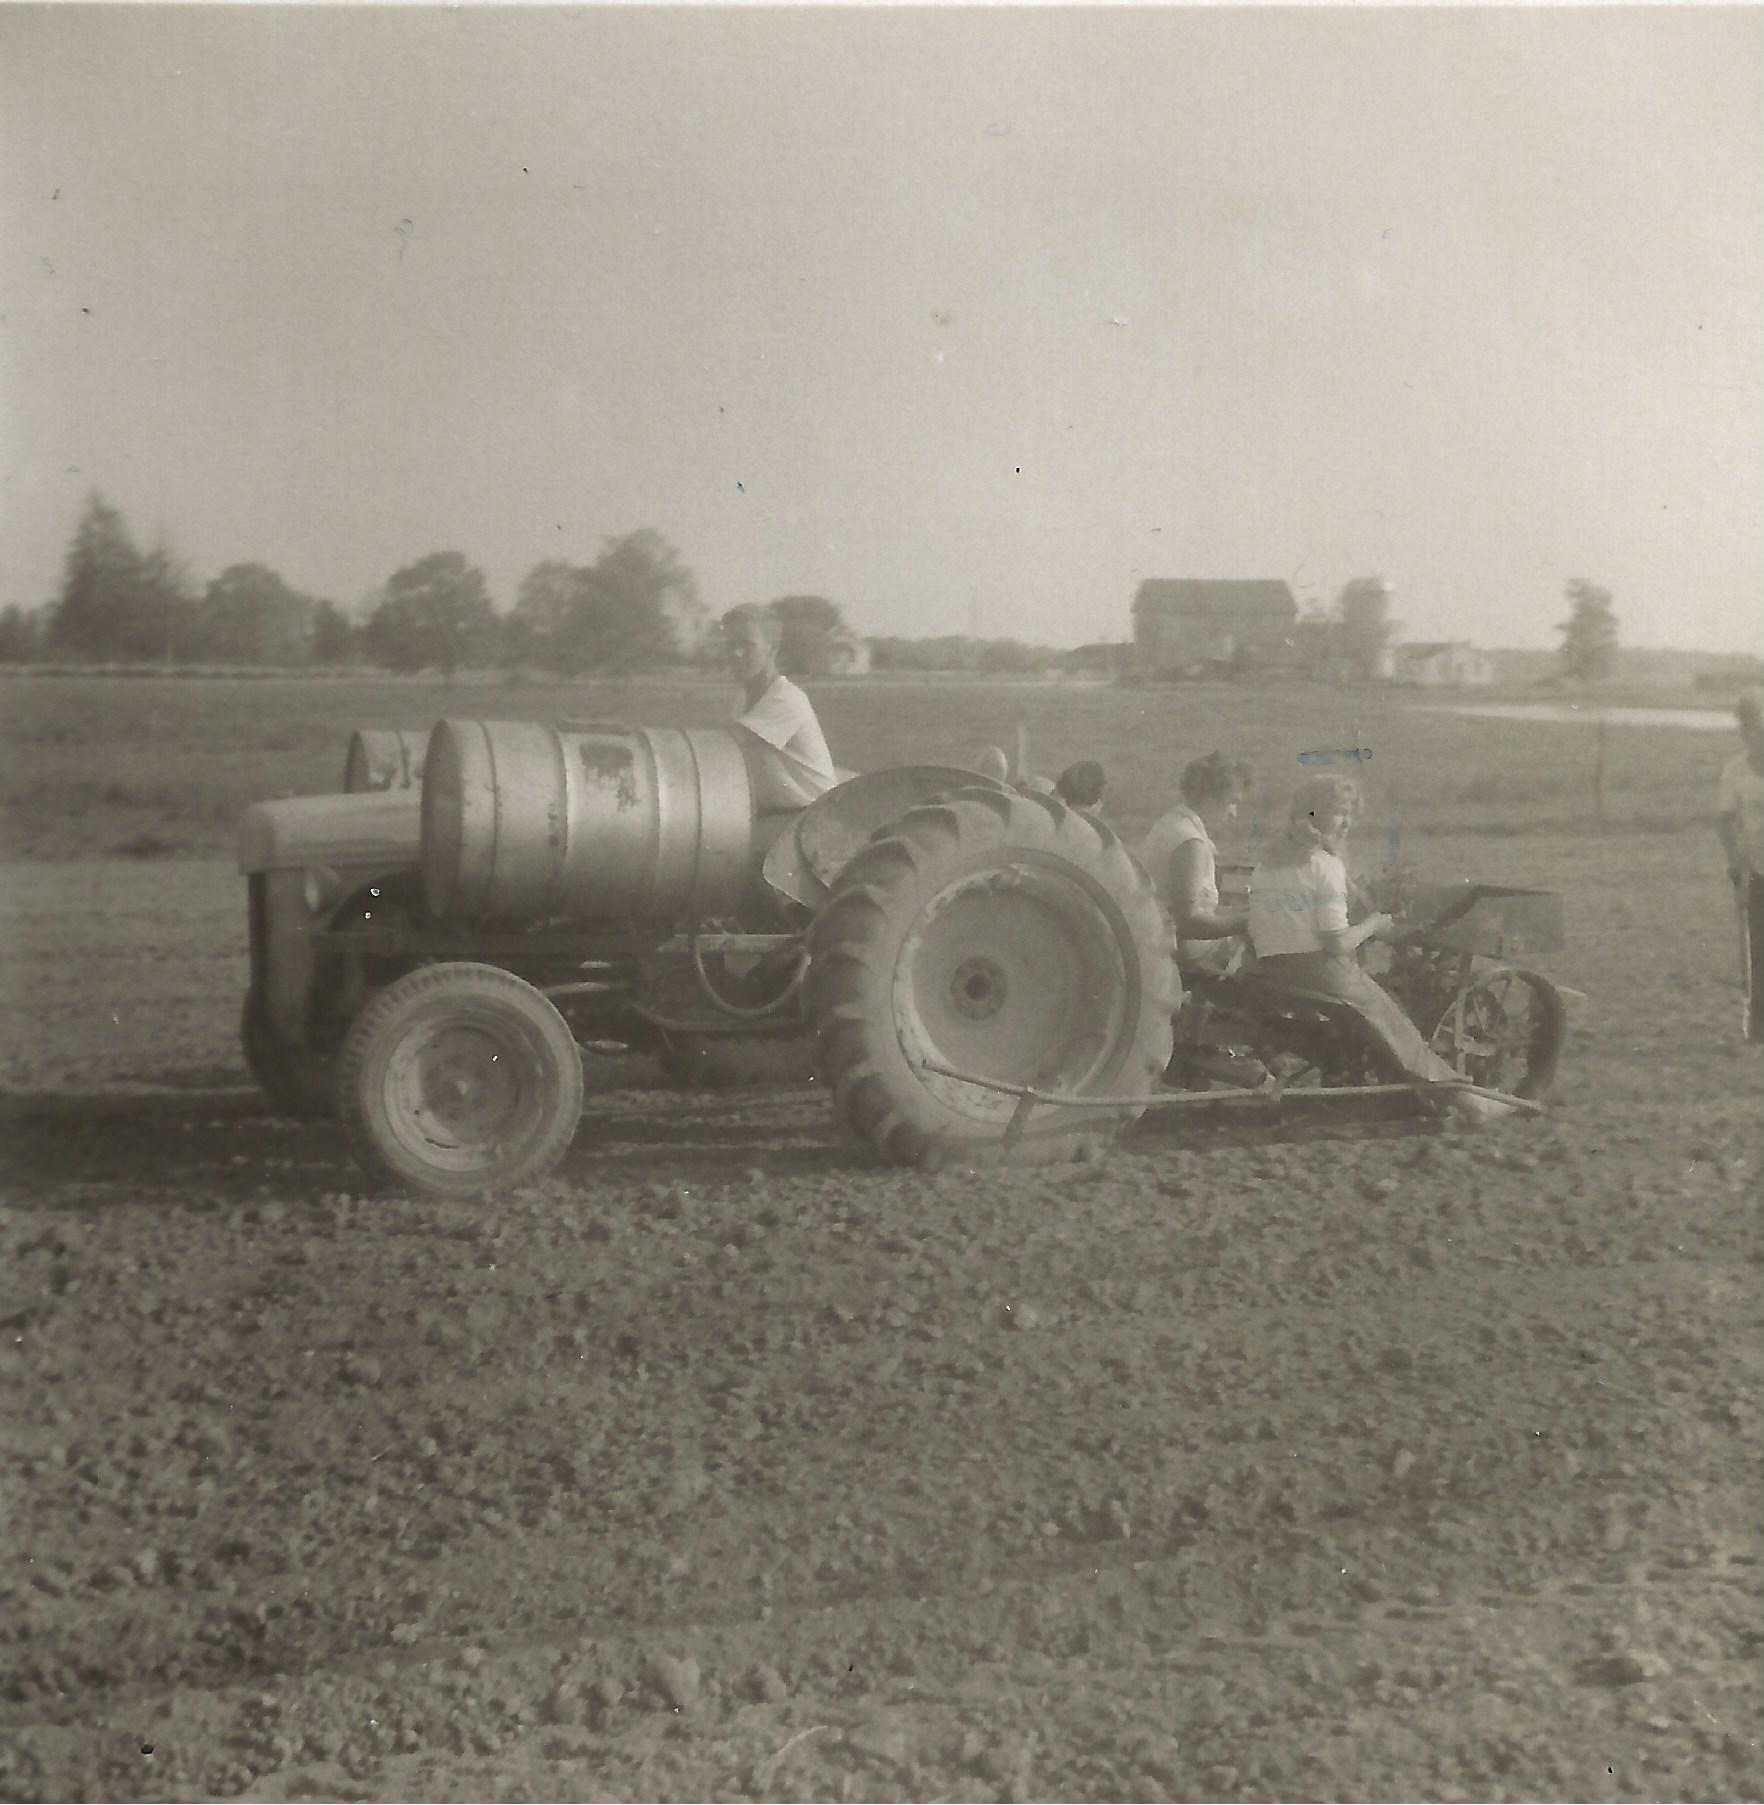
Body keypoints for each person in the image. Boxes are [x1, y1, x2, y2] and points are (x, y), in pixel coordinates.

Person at [1248, 773, 1511, 1122]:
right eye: (1340, 813)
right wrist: (1374, 924)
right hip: (1319, 970)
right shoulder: (1325, 865)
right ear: (1313, 814)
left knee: (1374, 1005)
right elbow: (1337, 943)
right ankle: (1468, 1102)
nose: (1347, 824)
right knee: (1392, 1019)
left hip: (1269, 966)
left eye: (1351, 815)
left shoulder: (1269, 859)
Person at [1139, 752, 1253, 975]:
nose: (1234, 813)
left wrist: (1246, 912)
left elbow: (1196, 910)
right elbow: (1187, 923)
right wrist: (1248, 922)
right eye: (1232, 803)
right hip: (1181, 952)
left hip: (1157, 939)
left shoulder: (1169, 824)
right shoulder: (1190, 843)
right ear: (1210, 796)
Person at [721, 605, 838, 811]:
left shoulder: (786, 699)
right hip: (779, 813)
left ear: (772, 649)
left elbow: (724, 748)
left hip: (814, 815)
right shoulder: (744, 697)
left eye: (747, 644)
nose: (736, 653)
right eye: (731, 644)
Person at [1717, 686, 1764, 1044]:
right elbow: (1726, 820)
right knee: (1758, 951)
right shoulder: (1735, 772)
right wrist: (1735, 861)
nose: (1754, 734)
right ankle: (1759, 1029)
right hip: (1757, 872)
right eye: (1747, 727)